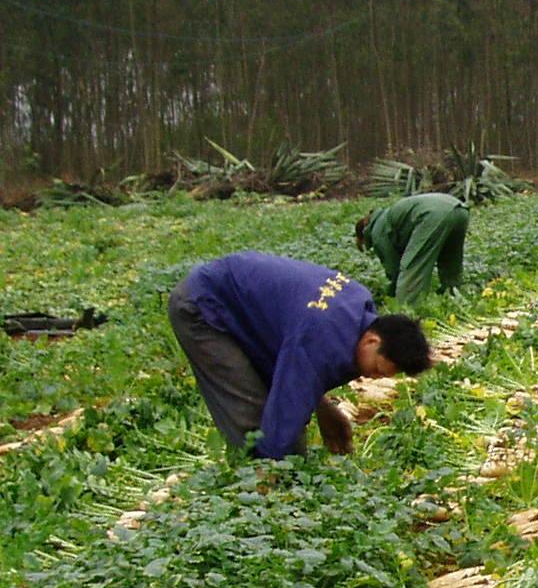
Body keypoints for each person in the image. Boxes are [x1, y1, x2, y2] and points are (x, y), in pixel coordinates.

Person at [167, 252, 430, 459]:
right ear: (373, 340)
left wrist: (322, 407)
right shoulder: (322, 335)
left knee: (280, 424)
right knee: (252, 419)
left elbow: (300, 363)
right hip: (204, 305)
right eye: (377, 370)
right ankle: (255, 487)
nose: (372, 377)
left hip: (242, 304)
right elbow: (289, 402)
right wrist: (276, 468)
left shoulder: (358, 305)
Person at [355, 191, 470, 305]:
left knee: (414, 265)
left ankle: (409, 307)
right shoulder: (386, 216)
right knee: (450, 260)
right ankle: (453, 297)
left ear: (364, 233)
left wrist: (391, 293)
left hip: (432, 215)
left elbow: (393, 265)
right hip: (459, 209)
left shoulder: (377, 230)